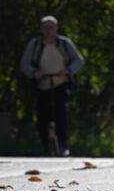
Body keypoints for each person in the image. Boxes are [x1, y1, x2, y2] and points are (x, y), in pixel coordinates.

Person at [20, 15, 84, 156]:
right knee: (42, 116)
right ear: (42, 29)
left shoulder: (64, 43)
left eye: (52, 27)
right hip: (42, 84)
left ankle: (63, 145)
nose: (49, 31)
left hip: (60, 83)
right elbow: (24, 63)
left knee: (61, 113)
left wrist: (68, 71)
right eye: (46, 28)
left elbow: (78, 60)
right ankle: (45, 145)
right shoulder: (35, 44)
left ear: (56, 28)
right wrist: (34, 72)